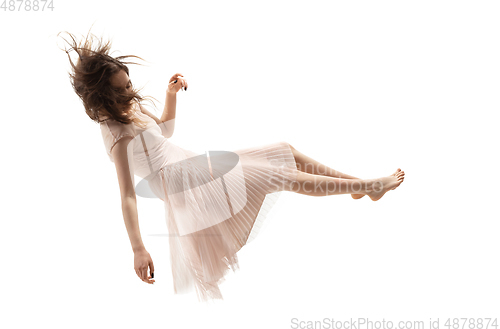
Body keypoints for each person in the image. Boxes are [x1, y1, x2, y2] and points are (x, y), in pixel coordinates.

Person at [59, 30, 405, 302]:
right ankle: (369, 186)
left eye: (129, 82)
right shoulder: (116, 135)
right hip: (188, 189)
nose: (130, 91)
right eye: (121, 90)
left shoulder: (130, 109)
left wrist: (171, 96)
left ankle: (362, 186)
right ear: (102, 97)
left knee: (283, 149)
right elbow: (127, 197)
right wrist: (137, 248)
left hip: (194, 166)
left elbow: (164, 132)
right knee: (278, 175)